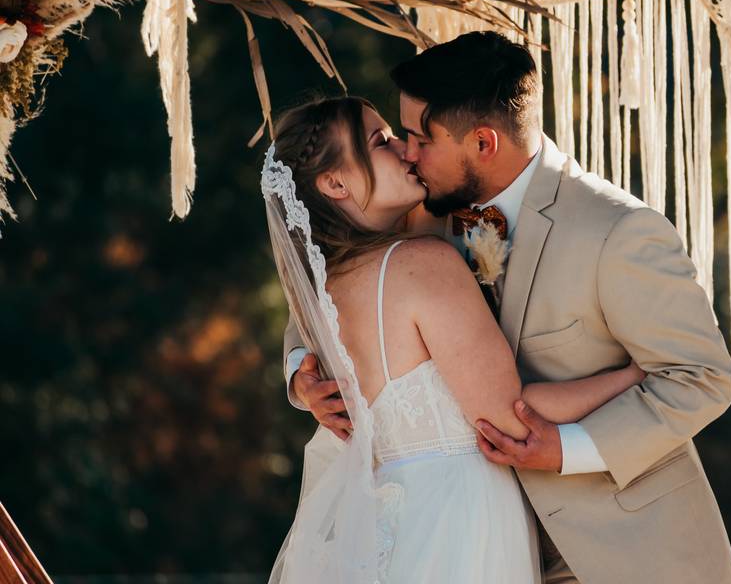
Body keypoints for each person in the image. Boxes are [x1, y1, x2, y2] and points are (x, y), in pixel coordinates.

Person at [284, 31, 731, 583]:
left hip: (619, 550)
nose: (406, 154)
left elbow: (703, 378)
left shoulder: (617, 231)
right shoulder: (410, 218)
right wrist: (303, 376)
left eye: (418, 139)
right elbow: (319, 278)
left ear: (482, 143)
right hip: (461, 539)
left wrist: (566, 449)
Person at [264, 96, 650, 583]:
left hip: (385, 522)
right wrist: (634, 375)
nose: (406, 150)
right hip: (459, 517)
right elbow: (510, 419)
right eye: (380, 142)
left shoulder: (324, 292)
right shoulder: (421, 264)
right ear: (336, 182)